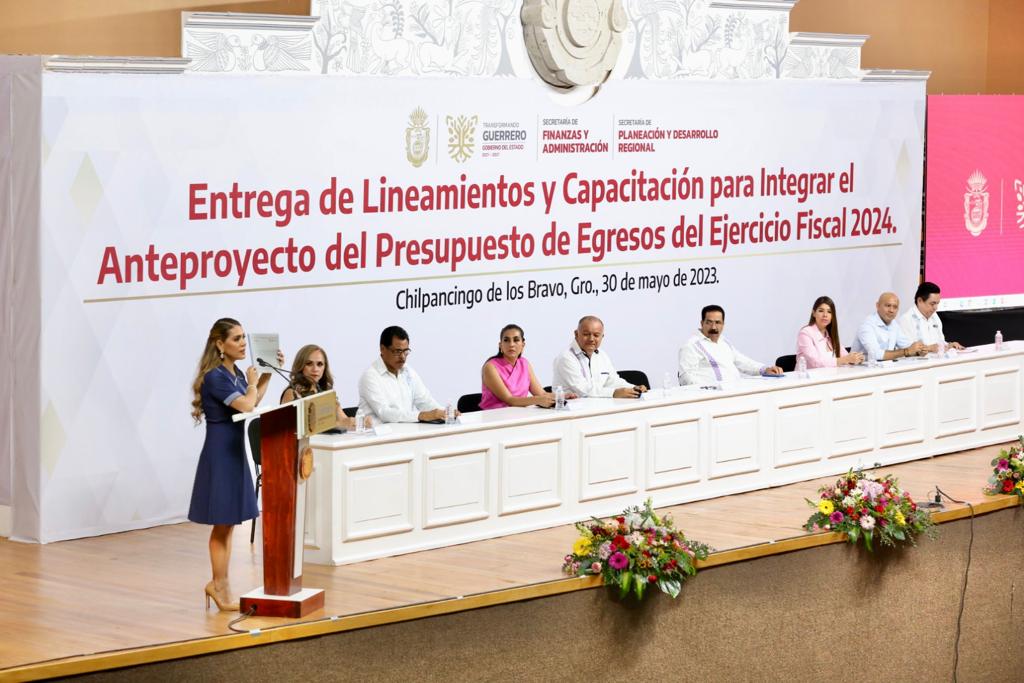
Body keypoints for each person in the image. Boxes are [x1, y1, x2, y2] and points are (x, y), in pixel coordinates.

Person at [188, 318, 282, 612]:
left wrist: (266, 375)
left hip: (233, 451)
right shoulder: (215, 377)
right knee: (222, 523)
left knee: (227, 523)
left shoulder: (236, 373)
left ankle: (220, 583)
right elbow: (246, 404)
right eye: (237, 339)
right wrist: (253, 384)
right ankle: (218, 584)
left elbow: (253, 400)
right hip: (220, 454)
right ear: (220, 344)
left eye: (243, 337)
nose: (243, 344)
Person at [358, 325, 449, 422]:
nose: (403, 357)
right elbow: (385, 413)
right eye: (397, 351)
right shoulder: (370, 376)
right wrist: (421, 415)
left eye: (406, 351)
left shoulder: (408, 371)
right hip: (377, 431)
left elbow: (425, 401)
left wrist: (445, 412)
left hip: (404, 429)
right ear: (382, 349)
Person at [678, 305, 783, 385]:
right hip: (710, 398)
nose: (714, 327)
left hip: (734, 393)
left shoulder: (724, 342)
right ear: (702, 323)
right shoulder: (692, 345)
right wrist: (709, 390)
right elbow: (685, 378)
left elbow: (743, 362)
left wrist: (765, 370)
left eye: (718, 322)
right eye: (709, 322)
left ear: (723, 324)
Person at [551, 316, 647, 398]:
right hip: (570, 409)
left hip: (596, 405)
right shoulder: (566, 357)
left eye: (596, 335)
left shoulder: (602, 355)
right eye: (586, 334)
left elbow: (612, 381)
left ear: (602, 336)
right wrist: (614, 393)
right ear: (576, 334)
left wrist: (633, 388)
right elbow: (583, 390)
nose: (591, 339)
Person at [480, 324, 557, 409]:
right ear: (500, 345)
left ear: (523, 345)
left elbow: (541, 394)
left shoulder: (524, 363)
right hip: (494, 415)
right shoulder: (490, 367)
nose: (511, 344)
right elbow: (510, 400)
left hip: (520, 413)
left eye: (516, 340)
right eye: (506, 340)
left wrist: (562, 396)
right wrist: (537, 400)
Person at [280, 344, 356, 430]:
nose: (315, 369)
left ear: (325, 367)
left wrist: (361, 421)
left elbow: (344, 420)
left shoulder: (326, 389)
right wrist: (338, 424)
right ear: (300, 366)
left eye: (320, 364)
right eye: (309, 364)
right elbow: (288, 429)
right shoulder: (291, 393)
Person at [852, 292, 926, 362]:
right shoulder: (867, 325)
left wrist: (918, 350)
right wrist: (906, 351)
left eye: (895, 307)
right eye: (888, 306)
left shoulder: (894, 324)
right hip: (860, 369)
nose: (891, 310)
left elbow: (906, 346)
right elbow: (875, 354)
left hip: (884, 367)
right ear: (877, 306)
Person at [796, 296, 865, 368]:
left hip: (830, 374)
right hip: (808, 375)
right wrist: (845, 359)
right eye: (821, 311)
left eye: (829, 312)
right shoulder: (805, 333)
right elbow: (815, 362)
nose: (825, 315)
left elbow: (845, 356)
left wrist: (856, 358)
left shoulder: (830, 335)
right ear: (814, 313)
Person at [898, 282, 964, 352]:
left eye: (937, 303)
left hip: (938, 358)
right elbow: (907, 351)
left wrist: (949, 345)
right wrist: (930, 348)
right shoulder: (906, 320)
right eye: (932, 304)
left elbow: (940, 342)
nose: (935, 308)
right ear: (920, 301)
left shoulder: (935, 316)